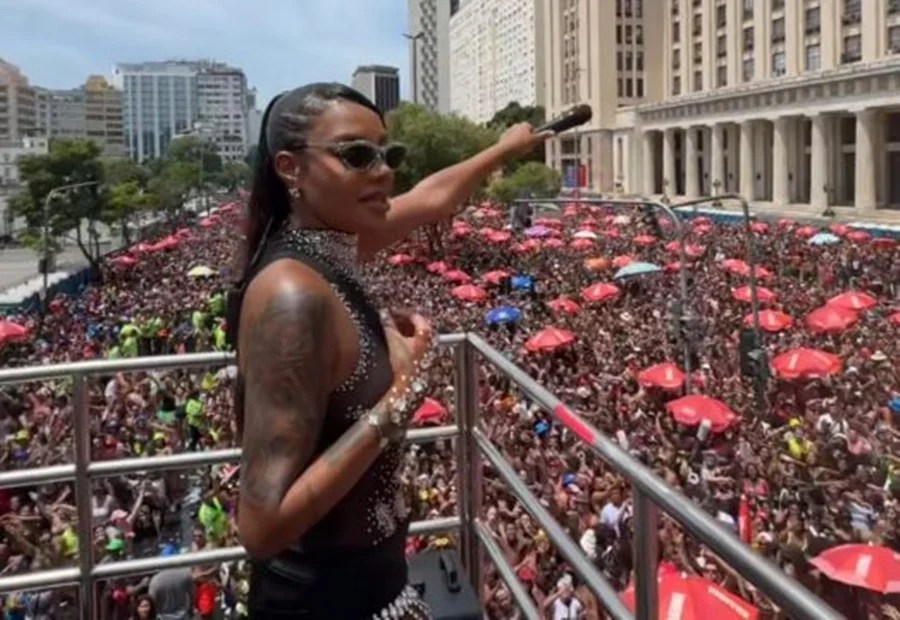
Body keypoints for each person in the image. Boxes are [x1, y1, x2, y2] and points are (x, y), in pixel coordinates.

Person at [231, 83, 549, 618]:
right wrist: (403, 395)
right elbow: (261, 528)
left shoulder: (332, 249)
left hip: (374, 584)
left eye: (388, 154)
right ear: (290, 168)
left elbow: (430, 197)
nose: (383, 172)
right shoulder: (292, 293)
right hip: (322, 604)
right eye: (357, 155)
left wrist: (503, 150)